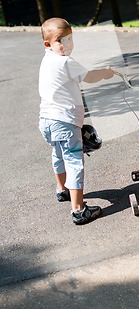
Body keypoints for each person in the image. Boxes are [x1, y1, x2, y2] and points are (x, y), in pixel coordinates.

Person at [38, 17, 115, 225]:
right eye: (62, 41)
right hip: (64, 122)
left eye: (71, 39)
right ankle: (79, 210)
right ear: (48, 44)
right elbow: (89, 76)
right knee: (74, 160)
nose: (68, 45)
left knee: (58, 154)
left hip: (46, 120)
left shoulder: (47, 60)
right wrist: (107, 72)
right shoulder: (65, 62)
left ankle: (62, 190)